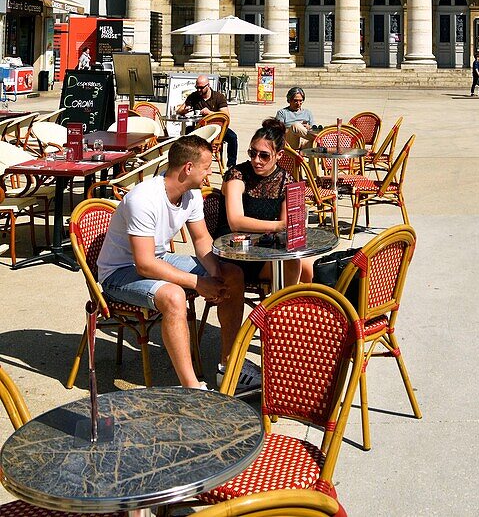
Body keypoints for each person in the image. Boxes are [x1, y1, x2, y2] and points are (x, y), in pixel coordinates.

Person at [97, 135, 244, 389]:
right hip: (119, 273)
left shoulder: (192, 194)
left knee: (232, 274)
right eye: (207, 167)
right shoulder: (143, 199)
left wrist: (216, 275)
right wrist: (199, 283)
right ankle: (191, 387)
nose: (210, 173)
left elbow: (201, 240)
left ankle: (227, 366)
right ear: (188, 168)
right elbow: (144, 264)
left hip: (158, 258)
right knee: (174, 296)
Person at [216, 118, 312, 389]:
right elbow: (236, 220)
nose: (256, 160)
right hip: (233, 252)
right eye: (252, 153)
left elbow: (291, 227)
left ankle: (284, 346)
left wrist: (285, 227)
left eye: (264, 155)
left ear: (279, 156)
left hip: (264, 255)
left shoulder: (287, 181)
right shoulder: (237, 175)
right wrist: (279, 226)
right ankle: (229, 362)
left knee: (298, 265)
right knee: (233, 278)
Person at [176, 75, 238, 168]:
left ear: (208, 85)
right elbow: (179, 110)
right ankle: (188, 160)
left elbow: (226, 116)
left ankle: (231, 165)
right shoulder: (194, 96)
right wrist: (184, 111)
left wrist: (210, 113)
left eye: (201, 88)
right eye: (197, 87)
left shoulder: (218, 97)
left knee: (232, 137)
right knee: (187, 132)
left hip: (217, 130)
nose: (199, 90)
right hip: (201, 129)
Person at [275, 86, 319, 150]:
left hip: (305, 141)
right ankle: (319, 138)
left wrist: (309, 127)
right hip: (290, 142)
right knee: (295, 125)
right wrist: (294, 130)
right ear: (289, 100)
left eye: (300, 101)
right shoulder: (282, 113)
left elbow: (313, 129)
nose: (298, 103)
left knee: (315, 147)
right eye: (295, 101)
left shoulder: (307, 112)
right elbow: (277, 132)